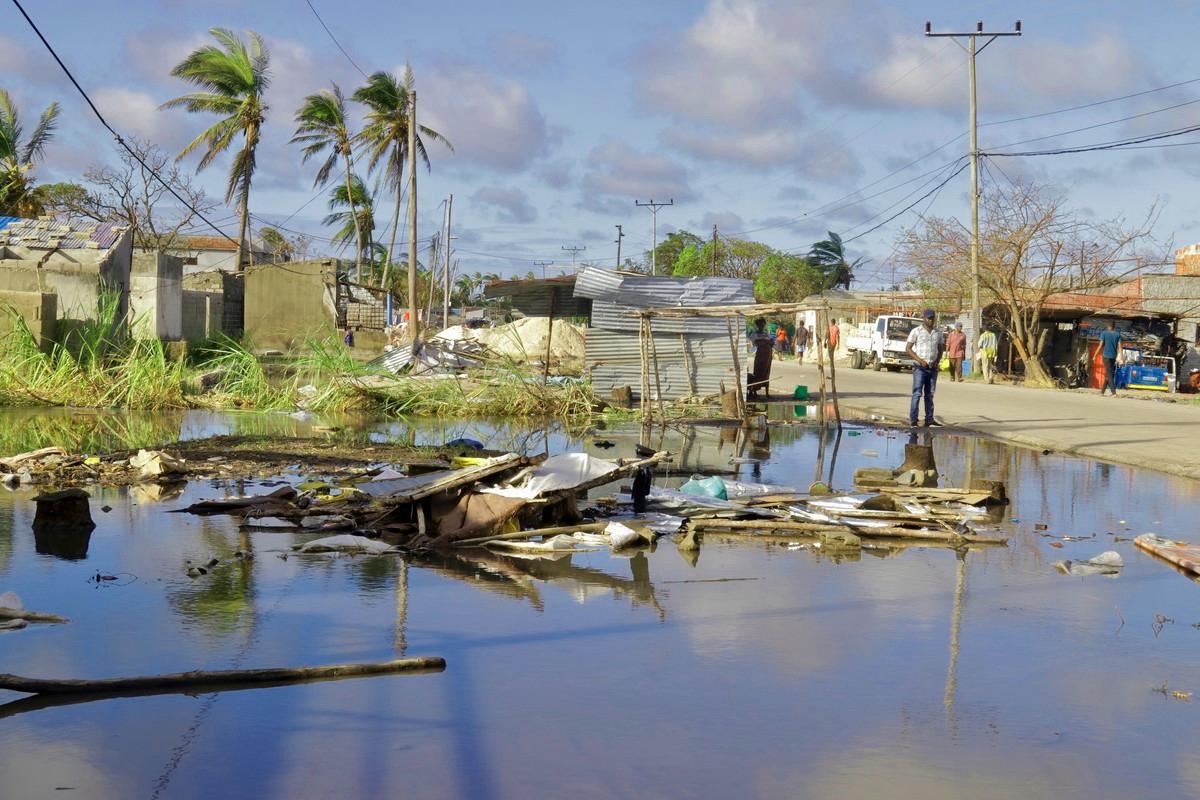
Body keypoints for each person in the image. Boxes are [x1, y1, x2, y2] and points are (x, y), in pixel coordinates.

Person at [905, 308, 944, 427]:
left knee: (929, 394)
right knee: (917, 393)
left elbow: (941, 348)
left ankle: (929, 419)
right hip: (920, 368)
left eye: (933, 318)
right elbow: (908, 348)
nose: (931, 321)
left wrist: (937, 361)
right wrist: (919, 360)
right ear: (924, 318)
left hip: (932, 368)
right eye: (929, 318)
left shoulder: (938, 332)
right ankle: (913, 420)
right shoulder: (916, 331)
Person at [748, 317, 774, 398]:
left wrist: (765, 341)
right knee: (758, 372)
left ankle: (767, 393)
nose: (762, 326)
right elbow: (757, 342)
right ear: (757, 325)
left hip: (768, 355)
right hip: (760, 355)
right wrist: (766, 342)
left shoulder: (766, 333)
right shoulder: (754, 334)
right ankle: (754, 391)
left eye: (763, 324)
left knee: (766, 373)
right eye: (760, 324)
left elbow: (772, 342)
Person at [1099, 320, 1122, 396]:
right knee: (1109, 374)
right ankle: (1102, 392)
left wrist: (1095, 355)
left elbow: (1100, 345)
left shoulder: (1104, 333)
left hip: (1106, 357)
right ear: (1114, 326)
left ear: (1107, 326)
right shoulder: (1117, 334)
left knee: (1109, 375)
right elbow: (1120, 347)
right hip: (1113, 357)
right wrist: (1121, 358)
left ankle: (1113, 393)